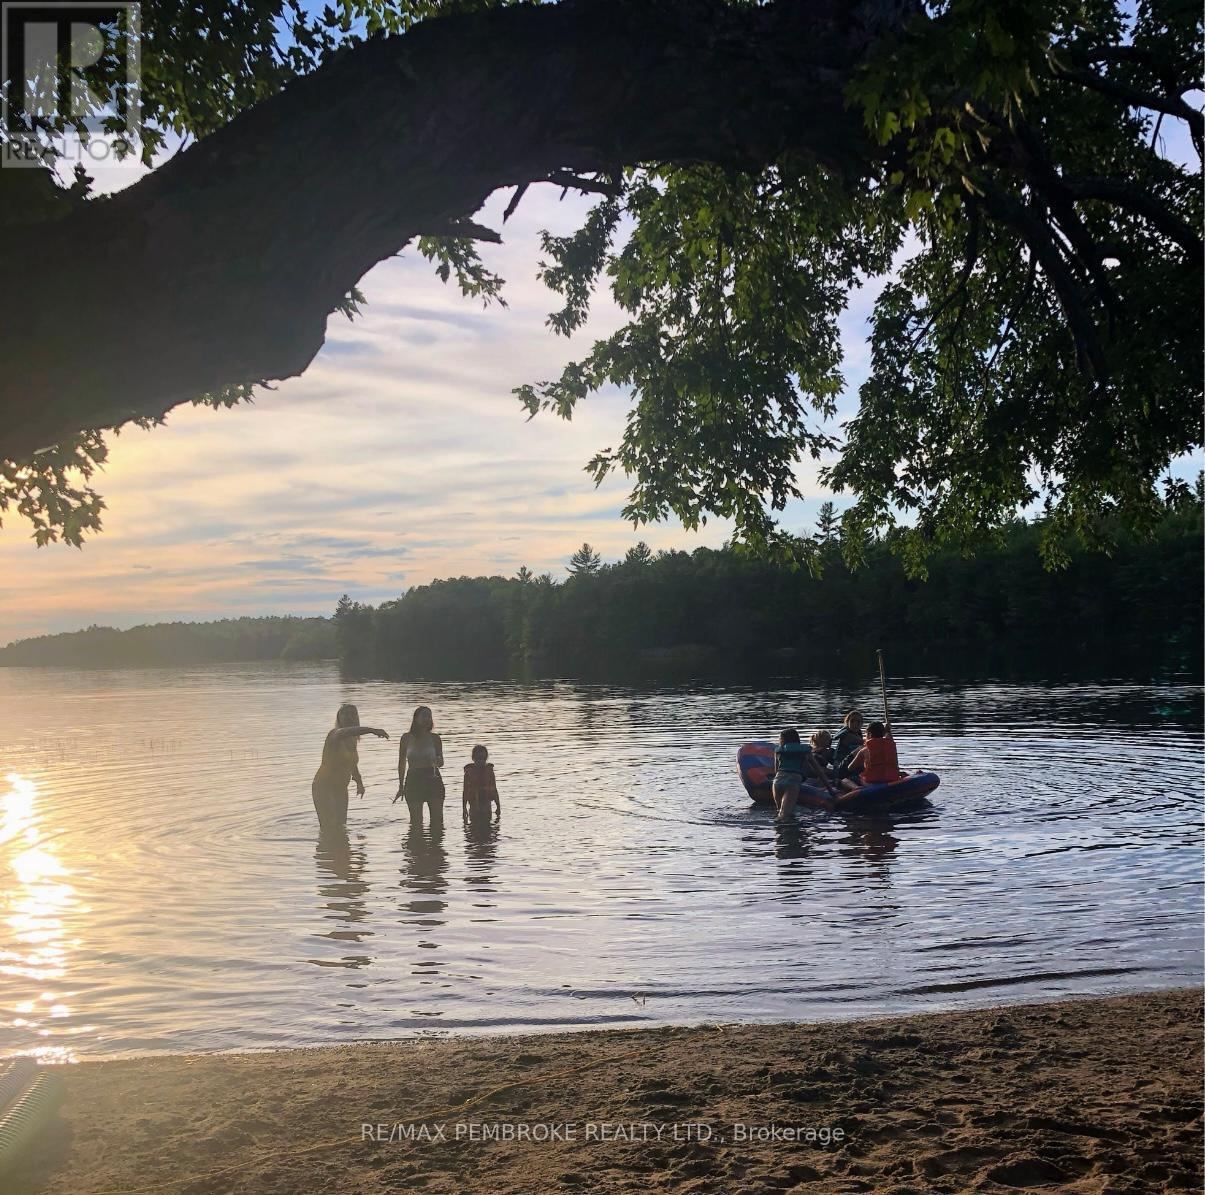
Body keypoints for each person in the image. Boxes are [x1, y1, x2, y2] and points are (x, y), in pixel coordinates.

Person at [311, 703, 389, 828]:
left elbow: (351, 763)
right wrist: (372, 730)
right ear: (339, 717)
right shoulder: (334, 734)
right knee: (329, 826)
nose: (349, 717)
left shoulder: (352, 740)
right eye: (345, 714)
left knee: (341, 826)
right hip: (324, 787)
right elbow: (348, 731)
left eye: (353, 714)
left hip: (341, 788)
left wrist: (359, 782)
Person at [395, 705, 445, 825]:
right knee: (416, 822)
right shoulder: (406, 738)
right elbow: (401, 763)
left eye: (429, 716)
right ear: (416, 718)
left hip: (433, 778)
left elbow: (441, 762)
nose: (428, 719)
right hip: (414, 779)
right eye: (424, 716)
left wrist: (437, 760)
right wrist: (401, 786)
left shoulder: (435, 738)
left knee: (437, 821)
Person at [772, 729, 833, 820]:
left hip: (777, 782)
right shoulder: (805, 751)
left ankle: (780, 828)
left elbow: (776, 771)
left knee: (780, 811)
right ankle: (786, 827)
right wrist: (830, 790)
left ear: (783, 740)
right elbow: (819, 771)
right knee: (785, 815)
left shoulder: (778, 751)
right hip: (792, 782)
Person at [845, 720, 903, 786]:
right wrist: (888, 731)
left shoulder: (864, 750)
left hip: (872, 782)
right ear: (883, 733)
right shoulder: (891, 745)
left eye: (866, 734)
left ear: (869, 734)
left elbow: (850, 768)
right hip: (892, 779)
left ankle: (856, 788)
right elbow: (889, 738)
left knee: (846, 779)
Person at [462, 744, 501, 823]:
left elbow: (494, 790)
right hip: (474, 807)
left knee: (487, 825)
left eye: (483, 758)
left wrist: (498, 806)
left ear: (486, 758)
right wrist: (464, 808)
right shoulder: (468, 773)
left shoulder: (489, 772)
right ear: (473, 758)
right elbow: (465, 791)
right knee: (474, 825)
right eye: (478, 758)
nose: (480, 761)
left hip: (486, 805)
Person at [833, 710, 865, 781]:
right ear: (847, 722)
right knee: (862, 749)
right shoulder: (847, 735)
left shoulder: (858, 733)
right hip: (840, 768)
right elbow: (866, 743)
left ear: (862, 724)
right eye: (852, 721)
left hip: (850, 765)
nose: (855, 724)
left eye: (858, 722)